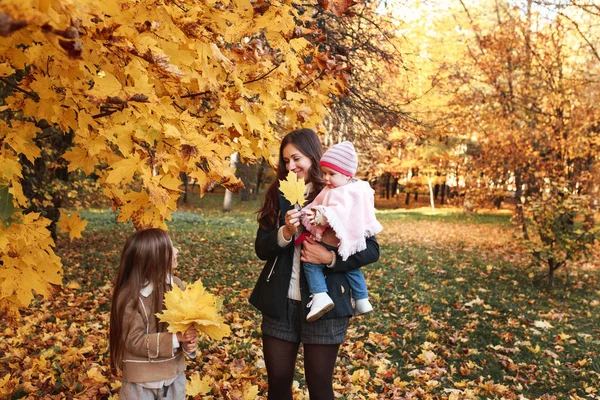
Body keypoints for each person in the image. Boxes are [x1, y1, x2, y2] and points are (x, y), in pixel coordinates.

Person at [249, 128, 380, 400]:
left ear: (313, 156)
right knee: (278, 381)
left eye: (296, 158)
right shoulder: (278, 195)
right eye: (285, 161)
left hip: (326, 304)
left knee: (319, 385)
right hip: (280, 302)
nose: (291, 166)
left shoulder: (340, 191)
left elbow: (371, 249)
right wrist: (285, 233)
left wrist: (329, 258)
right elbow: (261, 248)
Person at [109, 228, 198, 400]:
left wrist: (189, 343)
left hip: (173, 379)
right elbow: (133, 340)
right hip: (141, 385)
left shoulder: (177, 286)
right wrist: (176, 338)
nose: (177, 251)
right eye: (170, 248)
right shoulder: (131, 297)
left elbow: (183, 327)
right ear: (154, 259)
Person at [299, 141, 383, 322]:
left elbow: (338, 212)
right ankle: (362, 299)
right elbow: (319, 204)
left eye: (332, 174)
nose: (326, 178)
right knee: (352, 270)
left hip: (337, 241)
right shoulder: (342, 188)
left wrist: (320, 217)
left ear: (347, 175)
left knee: (311, 263)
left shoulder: (345, 192)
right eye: (324, 173)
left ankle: (320, 295)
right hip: (342, 243)